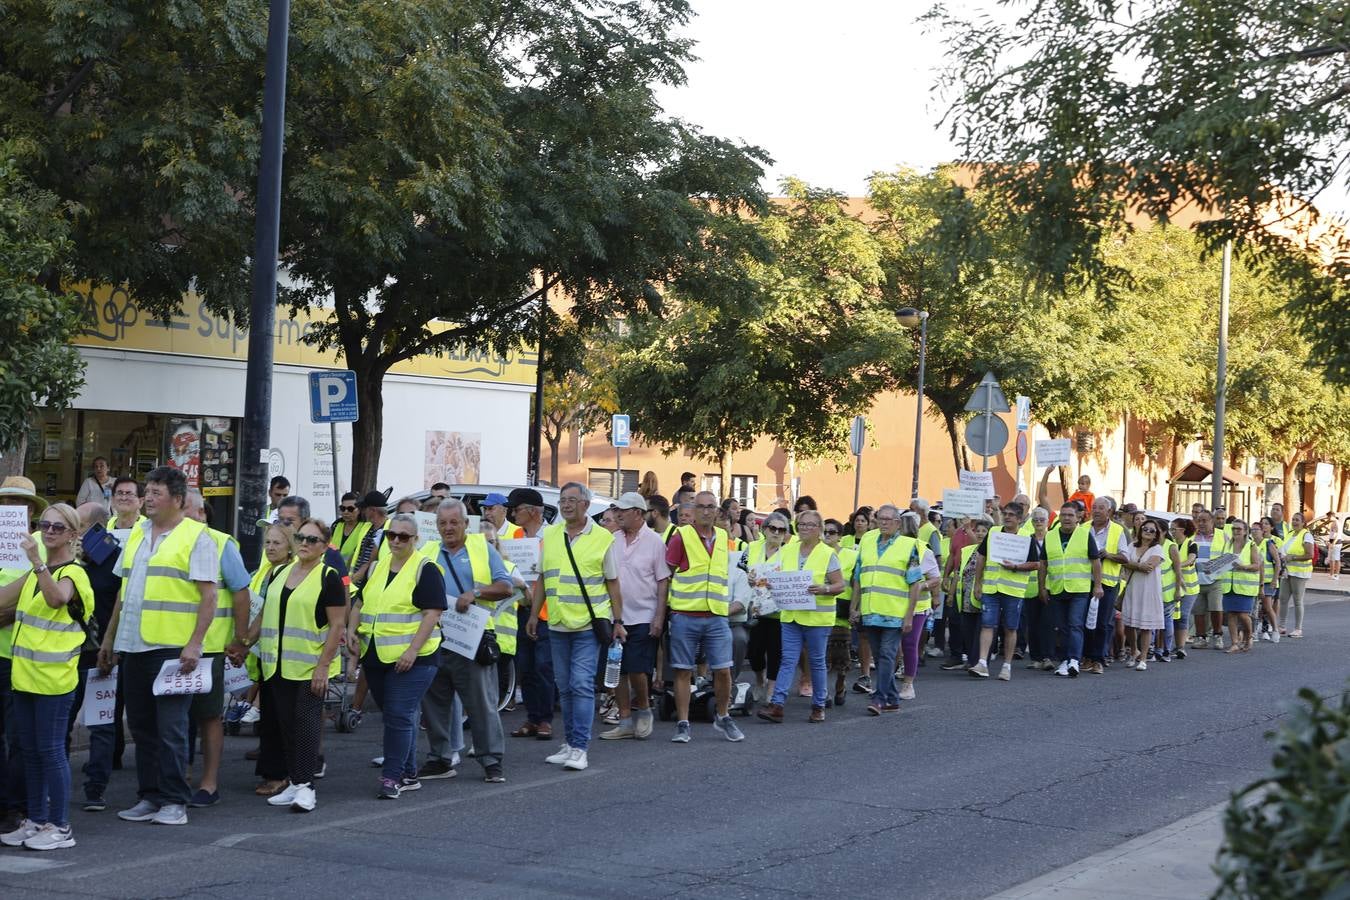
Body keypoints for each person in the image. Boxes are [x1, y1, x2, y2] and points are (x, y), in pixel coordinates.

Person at [97, 466, 219, 827]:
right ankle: (149, 796)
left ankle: (174, 800)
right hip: (134, 643)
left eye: (155, 493)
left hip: (172, 647)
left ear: (177, 499)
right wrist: (109, 639)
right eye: (146, 492)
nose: (147, 499)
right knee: (142, 724)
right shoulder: (137, 532)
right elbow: (124, 590)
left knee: (171, 726)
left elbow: (208, 596)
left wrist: (195, 644)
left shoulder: (197, 536)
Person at [0, 504, 93, 850]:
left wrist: (37, 562)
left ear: (73, 534)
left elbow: (57, 599)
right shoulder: (33, 574)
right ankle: (37, 820)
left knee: (52, 752)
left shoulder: (74, 573)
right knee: (31, 751)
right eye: (44, 525)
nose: (49, 531)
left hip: (55, 682)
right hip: (24, 678)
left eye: (57, 527)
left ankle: (61, 826)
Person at [527, 483, 626, 771]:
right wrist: (535, 615)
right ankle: (570, 743)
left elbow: (612, 582)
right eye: (562, 500)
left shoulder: (602, 538)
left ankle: (580, 747)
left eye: (572, 500)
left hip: (588, 623)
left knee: (581, 685)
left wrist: (618, 621)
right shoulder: (552, 534)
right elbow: (544, 578)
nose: (566, 505)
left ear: (586, 504)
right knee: (565, 687)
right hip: (557, 622)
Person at [347, 513, 445, 799]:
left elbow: (432, 613)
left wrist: (412, 650)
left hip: (416, 658)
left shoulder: (425, 568)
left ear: (415, 539)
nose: (396, 540)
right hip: (377, 655)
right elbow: (360, 601)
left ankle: (392, 777)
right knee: (398, 714)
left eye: (404, 536)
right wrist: (352, 630)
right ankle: (409, 772)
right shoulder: (377, 566)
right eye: (392, 535)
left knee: (399, 715)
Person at [250, 518, 345, 811]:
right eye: (301, 537)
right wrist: (243, 643)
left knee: (305, 728)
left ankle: (306, 787)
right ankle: (294, 782)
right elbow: (264, 614)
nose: (305, 543)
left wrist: (323, 667)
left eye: (312, 540)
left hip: (308, 667)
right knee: (285, 727)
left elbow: (337, 625)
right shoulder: (279, 572)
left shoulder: (328, 576)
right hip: (277, 666)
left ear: (324, 546)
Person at [418, 499, 512, 784]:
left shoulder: (481, 547)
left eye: (454, 522)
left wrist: (476, 592)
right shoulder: (428, 551)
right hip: (436, 638)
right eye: (443, 523)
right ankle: (440, 758)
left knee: (480, 703)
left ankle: (491, 759)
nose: (448, 528)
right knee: (435, 702)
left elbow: (505, 586)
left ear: (465, 524)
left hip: (472, 639)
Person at [181, 491, 251, 809]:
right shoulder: (167, 541)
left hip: (209, 649)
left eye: (187, 510)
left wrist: (240, 639)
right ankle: (179, 776)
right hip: (171, 644)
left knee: (209, 716)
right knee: (176, 717)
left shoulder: (222, 543)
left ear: (202, 513)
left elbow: (240, 593)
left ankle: (208, 783)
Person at [664, 491, 744, 743]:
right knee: (682, 671)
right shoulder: (681, 536)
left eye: (711, 507)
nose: (706, 512)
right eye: (701, 507)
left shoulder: (723, 536)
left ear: (718, 511)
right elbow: (666, 575)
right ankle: (683, 723)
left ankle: (723, 716)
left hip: (717, 614)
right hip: (685, 614)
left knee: (723, 670)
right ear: (694, 510)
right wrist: (665, 611)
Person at [758, 510, 845, 724]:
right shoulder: (788, 550)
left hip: (817, 618)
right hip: (791, 615)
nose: (805, 528)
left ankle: (818, 706)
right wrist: (772, 583)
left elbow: (840, 585)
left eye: (810, 525)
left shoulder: (827, 553)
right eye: (802, 524)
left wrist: (824, 588)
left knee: (816, 662)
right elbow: (777, 575)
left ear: (819, 529)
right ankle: (777, 705)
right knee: (787, 660)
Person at [0, 476, 50, 832]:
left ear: (31, 510)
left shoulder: (42, 549)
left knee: (19, 737)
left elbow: (25, 601)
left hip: (23, 657)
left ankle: (15, 807)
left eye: (19, 503)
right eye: (6, 502)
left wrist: (8, 606)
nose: (11, 508)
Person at [68, 502, 123, 812]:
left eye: (79, 523)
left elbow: (120, 603)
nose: (73, 529)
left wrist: (112, 644)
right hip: (69, 653)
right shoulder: (71, 555)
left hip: (101, 652)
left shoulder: (114, 558)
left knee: (101, 723)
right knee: (63, 719)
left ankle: (96, 788)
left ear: (96, 528)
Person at [600, 493, 669, 742]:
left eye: (623, 510)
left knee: (638, 669)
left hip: (644, 613)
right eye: (616, 509)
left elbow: (662, 581)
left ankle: (644, 709)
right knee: (617, 669)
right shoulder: (611, 540)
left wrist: (659, 617)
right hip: (614, 615)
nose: (618, 514)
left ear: (638, 513)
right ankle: (625, 720)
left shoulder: (655, 542)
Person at [851, 506, 921, 715]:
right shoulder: (867, 543)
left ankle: (879, 698)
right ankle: (891, 698)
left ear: (898, 523)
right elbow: (858, 578)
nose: (884, 523)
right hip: (871, 612)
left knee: (887, 656)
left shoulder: (909, 546)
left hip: (894, 613)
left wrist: (909, 615)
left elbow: (915, 583)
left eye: (889, 520)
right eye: (881, 519)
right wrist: (854, 607)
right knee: (880, 655)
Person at [247, 522, 296, 797]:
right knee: (271, 719)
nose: (270, 547)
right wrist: (245, 643)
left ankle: (283, 774)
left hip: (286, 657)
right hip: (267, 656)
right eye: (267, 543)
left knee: (282, 720)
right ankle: (274, 771)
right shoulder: (266, 572)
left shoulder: (289, 573)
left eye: (277, 542)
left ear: (289, 547)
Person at [504, 488, 556, 741]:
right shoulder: (514, 535)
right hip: (520, 608)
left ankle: (545, 719)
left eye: (516, 509)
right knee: (525, 667)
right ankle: (533, 718)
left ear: (534, 511)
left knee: (543, 666)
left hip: (545, 611)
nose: (513, 514)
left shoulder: (553, 535)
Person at [969, 502, 1041, 681]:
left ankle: (1006, 666)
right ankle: (982, 663)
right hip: (991, 588)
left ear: (1019, 518)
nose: (1007, 517)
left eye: (1011, 514)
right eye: (1005, 513)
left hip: (1013, 591)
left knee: (1010, 627)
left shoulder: (1026, 537)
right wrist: (978, 583)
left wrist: (1016, 566)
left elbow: (1036, 564)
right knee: (987, 624)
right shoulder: (993, 533)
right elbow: (981, 557)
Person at [1045, 503, 1103, 677]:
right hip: (1057, 588)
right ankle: (1064, 660)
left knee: (1075, 624)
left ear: (1077, 517)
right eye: (1063, 515)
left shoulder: (1085, 535)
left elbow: (1095, 562)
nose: (1067, 518)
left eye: (1070, 515)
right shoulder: (1050, 536)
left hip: (1079, 589)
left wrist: (1098, 585)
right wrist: (1042, 587)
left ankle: (1074, 660)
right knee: (1061, 627)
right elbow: (1043, 564)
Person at [744, 512, 791, 702]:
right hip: (754, 609)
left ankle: (771, 689)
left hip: (778, 612)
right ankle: (759, 680)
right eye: (773, 528)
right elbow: (738, 571)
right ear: (764, 529)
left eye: (781, 530)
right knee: (754, 652)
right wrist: (746, 577)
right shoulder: (752, 547)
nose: (777, 533)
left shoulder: (789, 552)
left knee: (775, 652)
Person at [1082, 497, 1129, 674]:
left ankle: (1099, 659)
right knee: (1086, 621)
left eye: (1101, 508)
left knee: (1102, 622)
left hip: (1108, 584)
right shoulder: (1084, 528)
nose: (1096, 511)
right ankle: (1086, 657)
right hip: (1085, 582)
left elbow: (1125, 558)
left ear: (1109, 511)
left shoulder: (1118, 530)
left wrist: (1108, 555)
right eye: (1094, 508)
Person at [1119, 520, 1166, 670]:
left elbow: (1150, 567)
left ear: (1156, 535)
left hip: (1149, 590)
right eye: (1145, 528)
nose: (1148, 531)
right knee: (1129, 624)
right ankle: (1134, 651)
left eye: (1152, 530)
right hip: (1133, 588)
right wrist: (1138, 565)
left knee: (1146, 626)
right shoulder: (1131, 545)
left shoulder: (1157, 548)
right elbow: (1124, 562)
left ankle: (1143, 658)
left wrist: (1133, 564)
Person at [821, 519, 856, 706]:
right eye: (824, 531)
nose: (827, 535)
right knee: (821, 657)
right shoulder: (816, 554)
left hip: (841, 613)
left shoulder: (851, 556)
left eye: (832, 532)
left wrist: (854, 608)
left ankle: (840, 686)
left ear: (840, 536)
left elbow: (856, 584)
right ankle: (823, 692)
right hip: (820, 612)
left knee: (842, 657)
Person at [1221, 519, 1262, 653]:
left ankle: (1248, 635)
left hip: (1245, 586)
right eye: (1233, 529)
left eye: (1238, 529)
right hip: (1229, 585)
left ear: (1245, 531)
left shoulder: (1251, 546)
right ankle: (1234, 643)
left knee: (1243, 615)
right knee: (1231, 614)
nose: (1235, 531)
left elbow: (1257, 565)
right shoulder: (1227, 545)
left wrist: (1243, 567)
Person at [1021, 507, 1055, 670]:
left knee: (1047, 623)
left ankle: (1047, 657)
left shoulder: (1052, 539)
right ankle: (1035, 657)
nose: (1038, 523)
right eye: (1035, 520)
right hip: (1030, 588)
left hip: (1049, 587)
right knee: (1032, 624)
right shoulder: (1026, 541)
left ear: (1048, 521)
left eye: (1042, 519)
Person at [1191, 509, 1227, 650]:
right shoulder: (1192, 536)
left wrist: (1217, 569)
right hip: (1196, 579)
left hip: (1215, 580)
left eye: (1204, 520)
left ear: (1212, 521)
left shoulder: (1222, 536)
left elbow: (1228, 556)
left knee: (1216, 608)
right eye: (1199, 520)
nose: (1201, 523)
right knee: (1198, 610)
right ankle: (1201, 637)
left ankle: (1217, 636)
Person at [1277, 511, 1313, 637]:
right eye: (1293, 519)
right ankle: (1281, 626)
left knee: (1298, 600)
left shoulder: (1306, 535)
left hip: (1299, 573)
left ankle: (1298, 629)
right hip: (1287, 572)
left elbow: (1310, 555)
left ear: (1303, 523)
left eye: (1297, 520)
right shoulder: (1290, 534)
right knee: (1283, 598)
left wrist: (1293, 557)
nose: (1294, 522)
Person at [1169, 517, 1198, 660]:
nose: (1172, 531)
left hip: (1189, 588)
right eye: (1171, 529)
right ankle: (1170, 645)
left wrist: (1178, 565)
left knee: (1183, 616)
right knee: (1172, 616)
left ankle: (1180, 647)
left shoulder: (1191, 544)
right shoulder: (1170, 544)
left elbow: (1191, 559)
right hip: (1172, 586)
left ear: (1183, 530)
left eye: (1174, 529)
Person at [351, 491, 390, 585]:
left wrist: (345, 584)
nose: (363, 512)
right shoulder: (366, 527)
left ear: (373, 510)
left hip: (371, 585)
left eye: (365, 508)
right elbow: (356, 554)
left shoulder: (390, 530)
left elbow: (367, 565)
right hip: (356, 585)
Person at [1254, 517, 1282, 643]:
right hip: (1254, 580)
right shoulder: (1251, 544)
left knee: (1267, 606)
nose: (1254, 532)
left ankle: (1275, 630)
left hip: (1268, 581)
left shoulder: (1269, 544)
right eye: (1252, 530)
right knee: (1255, 608)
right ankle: (1256, 631)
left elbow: (1278, 563)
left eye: (1257, 530)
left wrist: (1275, 580)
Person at [330, 492, 369, 568]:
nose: (346, 512)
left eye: (350, 509)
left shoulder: (365, 528)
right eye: (343, 508)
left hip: (350, 576)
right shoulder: (336, 525)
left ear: (359, 510)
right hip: (332, 573)